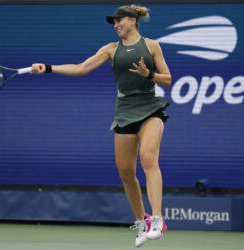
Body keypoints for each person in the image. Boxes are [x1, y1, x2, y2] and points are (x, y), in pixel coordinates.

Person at [30, 4, 171, 248]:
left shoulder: (151, 46)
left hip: (150, 107)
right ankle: (141, 221)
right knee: (126, 173)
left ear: (133, 20)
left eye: (120, 20)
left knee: (148, 159)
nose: (116, 25)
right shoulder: (110, 50)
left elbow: (167, 79)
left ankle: (157, 219)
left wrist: (148, 74)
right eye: (113, 22)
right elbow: (81, 69)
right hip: (125, 110)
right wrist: (48, 68)